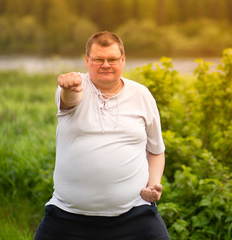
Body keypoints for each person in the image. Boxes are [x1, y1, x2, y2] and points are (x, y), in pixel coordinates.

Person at [34, 31, 170, 240]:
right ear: (87, 61)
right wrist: (70, 87)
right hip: (67, 217)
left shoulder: (142, 95)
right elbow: (70, 99)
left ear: (123, 60)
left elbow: (156, 150)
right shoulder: (75, 85)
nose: (105, 64)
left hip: (134, 215)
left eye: (112, 59)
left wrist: (153, 184)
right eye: (98, 59)